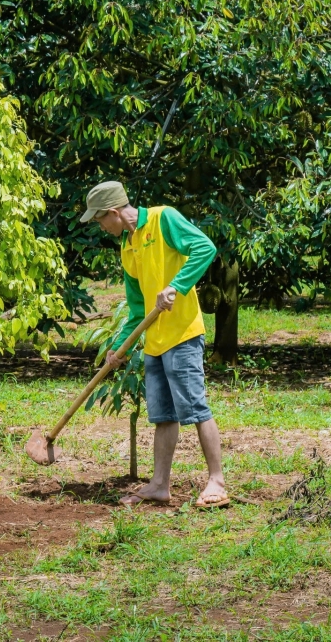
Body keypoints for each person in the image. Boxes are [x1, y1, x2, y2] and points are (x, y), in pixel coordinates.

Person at [81, 181, 228, 508]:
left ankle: (217, 481)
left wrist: (176, 286)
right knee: (164, 416)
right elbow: (137, 310)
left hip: (183, 334)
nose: (100, 227)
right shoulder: (126, 247)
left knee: (196, 408)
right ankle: (160, 485)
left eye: (99, 220)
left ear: (114, 212)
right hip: (154, 342)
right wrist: (120, 348)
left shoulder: (164, 219)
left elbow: (205, 248)